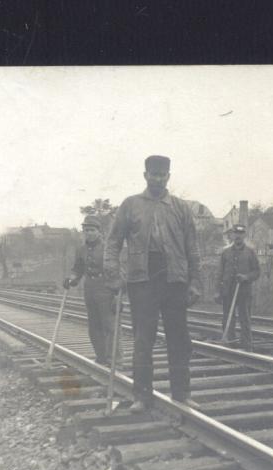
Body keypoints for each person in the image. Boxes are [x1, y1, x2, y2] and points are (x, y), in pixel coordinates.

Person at [105, 155, 201, 412]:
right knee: (142, 340)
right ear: (145, 175)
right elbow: (113, 242)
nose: (158, 179)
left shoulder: (180, 208)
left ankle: (181, 393)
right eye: (153, 174)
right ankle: (142, 396)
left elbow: (192, 248)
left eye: (163, 174)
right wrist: (114, 275)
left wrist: (195, 282)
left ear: (169, 176)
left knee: (179, 340)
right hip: (142, 281)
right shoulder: (130, 205)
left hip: (174, 280)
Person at [64, 215, 119, 365]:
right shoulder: (81, 249)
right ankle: (101, 357)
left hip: (106, 287)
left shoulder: (109, 248)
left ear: (99, 231)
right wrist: (71, 279)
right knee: (94, 325)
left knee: (109, 324)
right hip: (89, 288)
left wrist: (117, 292)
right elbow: (78, 268)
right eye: (86, 230)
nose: (89, 233)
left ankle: (114, 359)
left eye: (92, 230)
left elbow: (118, 269)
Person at [216, 224, 260, 351]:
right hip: (227, 290)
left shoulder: (250, 252)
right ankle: (229, 343)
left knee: (244, 317)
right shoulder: (225, 252)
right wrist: (217, 291)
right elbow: (220, 272)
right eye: (236, 233)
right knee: (227, 317)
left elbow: (257, 271)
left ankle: (247, 346)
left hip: (244, 291)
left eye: (241, 233)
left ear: (244, 235)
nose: (238, 236)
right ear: (232, 235)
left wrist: (246, 277)